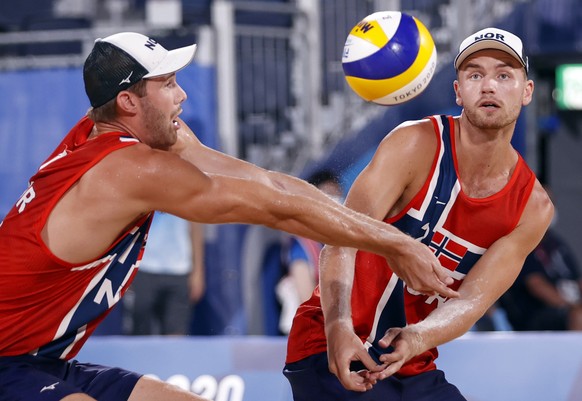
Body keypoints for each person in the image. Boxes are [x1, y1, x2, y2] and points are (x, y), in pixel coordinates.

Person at [0, 32, 458, 401]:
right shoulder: (127, 169)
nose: (181, 95)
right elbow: (274, 211)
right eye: (167, 84)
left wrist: (390, 239)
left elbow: (269, 184)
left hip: (39, 360)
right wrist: (397, 243)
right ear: (128, 102)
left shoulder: (115, 133)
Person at [284, 27, 554, 401]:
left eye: (503, 75)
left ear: (527, 92)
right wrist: (339, 326)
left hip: (409, 358)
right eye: (475, 74)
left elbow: (472, 300)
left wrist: (419, 337)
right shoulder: (415, 143)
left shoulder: (532, 207)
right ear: (458, 91)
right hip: (332, 340)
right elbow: (339, 239)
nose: (488, 86)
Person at [276, 170, 343, 334]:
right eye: (328, 194)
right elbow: (307, 299)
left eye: (337, 194)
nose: (335, 201)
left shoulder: (338, 243)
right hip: (309, 332)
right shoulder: (301, 246)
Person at [501, 207, 582, 331]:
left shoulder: (556, 242)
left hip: (569, 305)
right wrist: (569, 306)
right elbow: (536, 285)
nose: (549, 205)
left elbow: (577, 279)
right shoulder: (522, 243)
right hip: (537, 312)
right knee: (579, 315)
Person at [127, 212, 205, 335]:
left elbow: (195, 226)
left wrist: (198, 272)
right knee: (140, 335)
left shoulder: (186, 193)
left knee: (176, 335)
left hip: (179, 270)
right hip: (143, 268)